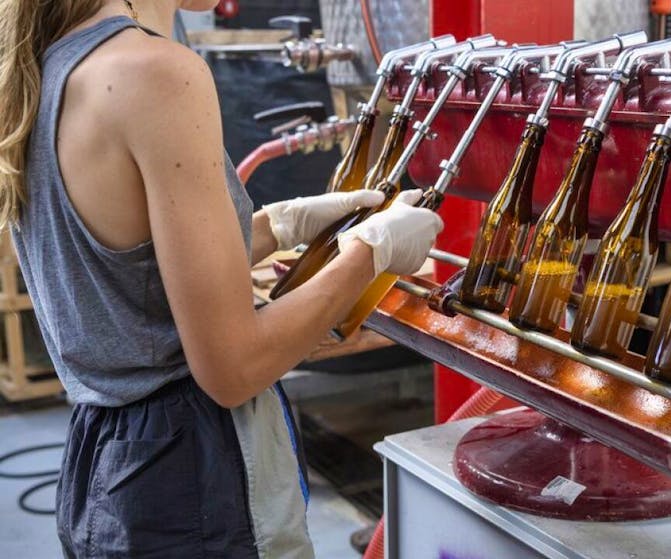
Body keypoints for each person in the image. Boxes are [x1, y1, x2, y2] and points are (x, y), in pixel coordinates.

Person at [0, 1, 444, 557]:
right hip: (194, 475)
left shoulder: (43, 64)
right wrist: (368, 255)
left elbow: (128, 273)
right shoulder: (158, 73)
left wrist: (276, 226)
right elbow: (234, 368)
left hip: (107, 469)